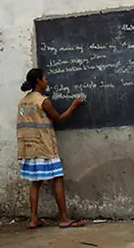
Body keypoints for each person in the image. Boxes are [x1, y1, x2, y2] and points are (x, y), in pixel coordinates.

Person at [17, 68, 86, 229]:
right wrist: (74, 105)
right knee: (57, 178)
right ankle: (64, 218)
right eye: (45, 79)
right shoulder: (43, 101)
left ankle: (33, 218)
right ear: (38, 81)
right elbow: (59, 118)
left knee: (35, 182)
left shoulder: (23, 101)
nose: (47, 81)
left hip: (30, 147)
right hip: (45, 146)